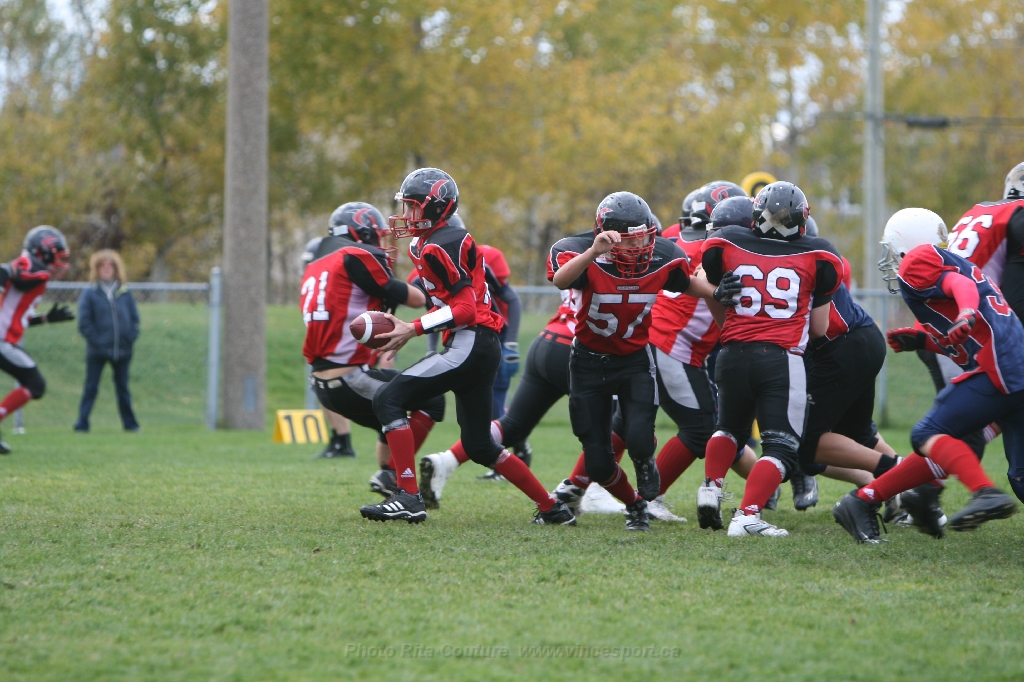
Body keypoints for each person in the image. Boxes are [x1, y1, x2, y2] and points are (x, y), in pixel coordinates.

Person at [361, 168, 575, 525]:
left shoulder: (443, 242)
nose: (406, 214)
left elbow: (464, 310)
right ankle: (552, 508)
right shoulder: (426, 243)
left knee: (388, 398)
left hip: (471, 342)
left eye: (413, 206)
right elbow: (451, 305)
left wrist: (412, 329)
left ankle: (408, 496)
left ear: (436, 208)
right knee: (480, 445)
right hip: (478, 345)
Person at [832, 208, 1021, 543]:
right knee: (1014, 473)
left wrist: (965, 311)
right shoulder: (959, 264)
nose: (891, 261)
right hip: (1012, 365)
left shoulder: (917, 260)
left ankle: (984, 491)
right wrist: (926, 341)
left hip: (1001, 367)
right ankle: (863, 500)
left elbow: (960, 286)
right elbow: (967, 341)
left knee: (927, 433)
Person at [549, 191, 718, 531]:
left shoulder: (663, 257)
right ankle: (635, 504)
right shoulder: (579, 251)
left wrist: (718, 292)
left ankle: (644, 465)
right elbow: (560, 280)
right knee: (598, 464)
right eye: (630, 239)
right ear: (606, 236)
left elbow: (685, 284)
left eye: (644, 236)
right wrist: (594, 252)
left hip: (633, 360)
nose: (639, 245)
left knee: (639, 437)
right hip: (588, 362)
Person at [699, 181, 843, 537]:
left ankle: (710, 489)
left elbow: (713, 281)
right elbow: (819, 328)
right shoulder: (820, 255)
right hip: (779, 358)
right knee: (782, 446)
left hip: (731, 354)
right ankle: (748, 515)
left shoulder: (726, 241)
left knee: (728, 429)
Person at [300, 201, 440, 500]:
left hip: (323, 382)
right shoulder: (354, 256)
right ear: (361, 233)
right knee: (432, 398)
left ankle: (390, 480)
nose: (380, 242)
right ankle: (392, 475)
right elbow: (416, 299)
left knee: (388, 417)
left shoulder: (315, 267)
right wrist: (427, 287)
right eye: (376, 235)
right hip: (350, 378)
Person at [0, 226, 74, 452]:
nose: (61, 263)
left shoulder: (36, 272)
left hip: (4, 340)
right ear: (44, 251)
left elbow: (17, 318)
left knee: (35, 384)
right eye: (58, 256)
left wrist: (46, 318)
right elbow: (7, 270)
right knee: (35, 384)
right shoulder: (32, 266)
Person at [74, 250, 140, 432]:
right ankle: (82, 424)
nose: (106, 269)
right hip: (98, 351)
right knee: (91, 388)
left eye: (110, 266)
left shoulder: (124, 292)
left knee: (123, 389)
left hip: (123, 350)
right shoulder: (90, 293)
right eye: (102, 266)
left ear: (116, 269)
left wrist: (130, 338)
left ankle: (130, 425)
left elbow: (134, 319)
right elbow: (84, 322)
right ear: (96, 269)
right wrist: (98, 342)